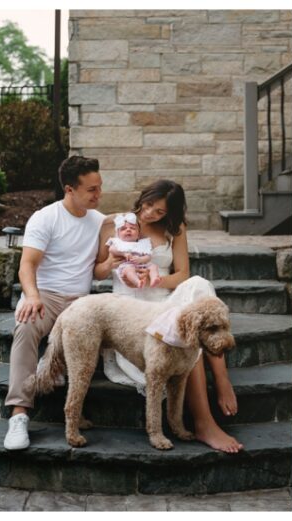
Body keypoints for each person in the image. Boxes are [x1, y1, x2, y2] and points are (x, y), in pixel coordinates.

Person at [93, 180, 243, 454]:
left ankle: (222, 379)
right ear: (143, 198)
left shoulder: (175, 229)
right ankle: (204, 423)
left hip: (163, 300)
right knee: (181, 337)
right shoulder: (116, 224)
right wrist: (112, 263)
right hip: (132, 314)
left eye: (159, 212)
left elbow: (182, 275)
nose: (150, 214)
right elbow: (97, 272)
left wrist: (156, 280)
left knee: (198, 285)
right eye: (148, 205)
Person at [3, 155, 105, 450]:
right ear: (69, 189)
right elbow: (27, 265)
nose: (99, 194)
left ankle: (72, 404)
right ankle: (19, 414)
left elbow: (98, 269)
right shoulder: (45, 217)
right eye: (92, 190)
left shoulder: (99, 221)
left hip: (79, 301)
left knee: (88, 333)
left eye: (100, 187)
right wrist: (32, 296)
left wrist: (112, 260)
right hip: (45, 293)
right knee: (25, 327)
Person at [106, 212, 161, 289]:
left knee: (153, 266)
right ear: (118, 234)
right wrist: (124, 254)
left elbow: (148, 256)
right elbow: (111, 249)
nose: (128, 230)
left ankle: (154, 279)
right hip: (126, 265)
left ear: (138, 234)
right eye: (123, 229)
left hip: (142, 265)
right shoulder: (118, 242)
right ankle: (138, 282)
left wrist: (141, 259)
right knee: (129, 270)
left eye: (132, 228)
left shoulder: (142, 244)